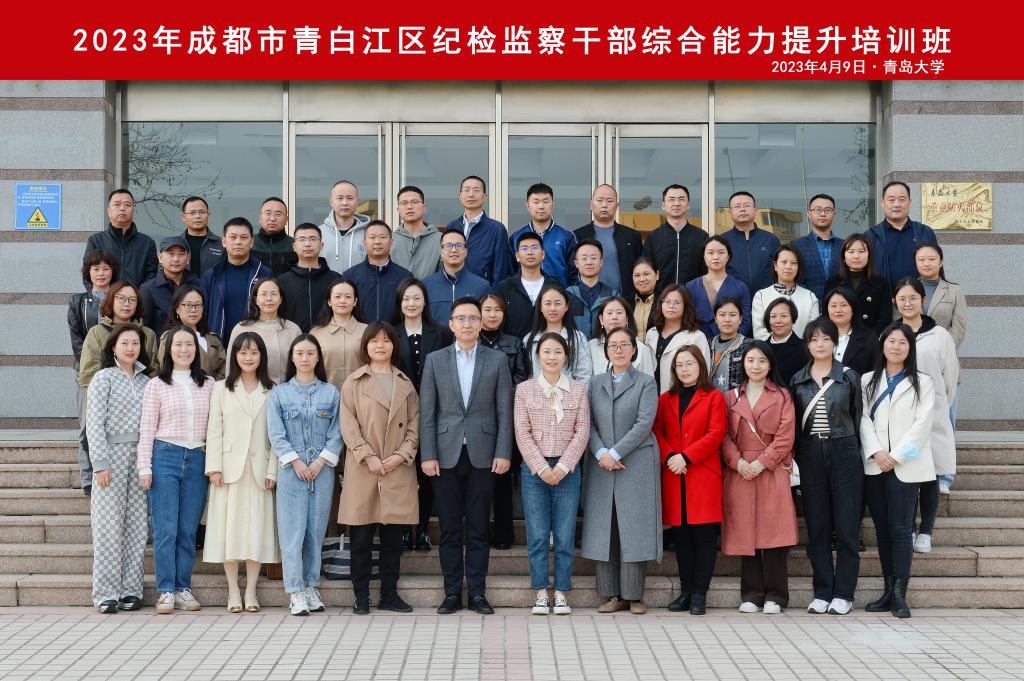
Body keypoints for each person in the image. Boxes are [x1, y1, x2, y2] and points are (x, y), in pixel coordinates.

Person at [419, 297, 514, 615]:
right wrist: (427, 454)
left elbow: (504, 410)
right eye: (461, 318)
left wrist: (503, 451)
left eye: (473, 318)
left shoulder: (497, 360)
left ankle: (476, 593)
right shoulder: (435, 360)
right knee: (448, 528)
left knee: (478, 527)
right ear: (451, 324)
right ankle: (451, 593)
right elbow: (427, 412)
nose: (468, 324)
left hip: (484, 454)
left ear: (481, 323)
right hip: (444, 454)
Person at [340, 322, 420, 615]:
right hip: (364, 468)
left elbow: (414, 425)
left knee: (393, 540)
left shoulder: (405, 383)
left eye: (386, 341)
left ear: (394, 346)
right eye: (374, 341)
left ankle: (389, 594)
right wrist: (368, 456)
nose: (380, 346)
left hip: (397, 468)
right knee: (361, 539)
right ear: (366, 346)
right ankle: (361, 596)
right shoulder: (354, 382)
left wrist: (401, 455)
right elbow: (348, 424)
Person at [859, 323, 936, 619]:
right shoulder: (868, 380)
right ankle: (888, 591)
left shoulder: (923, 382)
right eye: (891, 341)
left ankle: (900, 594)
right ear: (882, 345)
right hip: (875, 464)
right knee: (882, 530)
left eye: (903, 342)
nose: (896, 347)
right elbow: (863, 419)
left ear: (910, 348)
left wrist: (896, 455)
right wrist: (877, 452)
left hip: (907, 465)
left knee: (901, 529)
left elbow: (923, 424)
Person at [582, 327, 661, 615]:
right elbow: (587, 422)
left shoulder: (646, 382)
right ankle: (611, 594)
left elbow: (644, 423)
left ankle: (634, 596)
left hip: (635, 461)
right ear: (606, 351)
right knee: (605, 527)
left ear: (633, 349)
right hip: (601, 462)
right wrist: (601, 452)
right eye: (613, 345)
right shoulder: (595, 383)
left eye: (624, 345)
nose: (618, 350)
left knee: (633, 527)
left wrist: (615, 452)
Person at [137, 324, 214, 615]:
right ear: (168, 350)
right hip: (165, 456)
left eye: (189, 344)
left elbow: (216, 427)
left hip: (198, 459)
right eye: (178, 345)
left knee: (187, 529)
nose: (184, 350)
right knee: (165, 528)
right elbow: (147, 428)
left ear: (197, 349)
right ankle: (166, 590)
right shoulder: (157, 384)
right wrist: (144, 467)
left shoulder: (209, 384)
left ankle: (183, 587)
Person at [790, 318, 863, 615]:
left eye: (825, 339)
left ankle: (844, 593)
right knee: (817, 526)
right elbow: (795, 425)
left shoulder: (849, 377)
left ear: (835, 342)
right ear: (807, 344)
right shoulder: (797, 380)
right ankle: (822, 591)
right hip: (810, 452)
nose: (820, 344)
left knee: (846, 526)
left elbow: (858, 418)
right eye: (814, 339)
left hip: (844, 449)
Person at [514, 333, 591, 616]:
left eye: (557, 352)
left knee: (564, 533)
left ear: (566, 356)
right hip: (534, 471)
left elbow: (582, 431)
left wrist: (563, 466)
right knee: (537, 534)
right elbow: (522, 432)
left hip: (567, 470)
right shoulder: (525, 390)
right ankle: (539, 592)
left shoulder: (578, 390)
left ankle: (560, 592)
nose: (551, 357)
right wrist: (542, 467)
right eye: (546, 351)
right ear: (538, 356)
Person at [203, 332, 279, 614]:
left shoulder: (273, 389)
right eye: (243, 352)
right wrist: (214, 467)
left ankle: (251, 591)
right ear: (234, 356)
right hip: (228, 469)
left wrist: (273, 470)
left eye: (254, 352)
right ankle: (233, 591)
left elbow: (277, 435)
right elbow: (214, 430)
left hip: (260, 469)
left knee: (257, 530)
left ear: (262, 356)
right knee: (229, 530)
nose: (248, 357)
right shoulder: (221, 388)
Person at [267, 335, 343, 616]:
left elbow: (337, 432)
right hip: (291, 472)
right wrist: (297, 462)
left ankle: (311, 585)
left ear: (318, 357)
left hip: (322, 472)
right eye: (299, 353)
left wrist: (321, 462)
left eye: (310, 353)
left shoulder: (331, 393)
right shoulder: (279, 394)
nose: (305, 358)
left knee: (316, 530)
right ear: (292, 357)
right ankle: (295, 591)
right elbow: (276, 434)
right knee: (292, 532)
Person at [721, 342, 798, 614]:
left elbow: (785, 437)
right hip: (740, 470)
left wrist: (761, 463)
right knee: (746, 532)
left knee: (774, 532)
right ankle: (751, 595)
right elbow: (724, 436)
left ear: (770, 364)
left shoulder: (782, 396)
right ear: (743, 364)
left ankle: (776, 596)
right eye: (751, 360)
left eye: (762, 361)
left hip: (772, 469)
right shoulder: (731, 397)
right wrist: (737, 462)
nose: (756, 366)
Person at [652, 345, 727, 615]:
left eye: (689, 364)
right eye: (679, 365)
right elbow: (656, 432)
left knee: (704, 537)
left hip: (702, 474)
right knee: (682, 538)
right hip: (674, 474)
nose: (684, 369)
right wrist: (671, 456)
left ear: (700, 366)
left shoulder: (714, 397)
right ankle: (685, 592)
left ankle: (699, 594)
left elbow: (716, 433)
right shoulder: (665, 399)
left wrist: (687, 456)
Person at [85, 324, 151, 613]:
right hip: (110, 458)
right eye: (124, 343)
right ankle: (105, 594)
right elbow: (94, 423)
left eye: (135, 343)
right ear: (113, 346)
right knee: (108, 527)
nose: (130, 348)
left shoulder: (147, 382)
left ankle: (131, 591)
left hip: (139, 459)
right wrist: (100, 464)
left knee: (137, 526)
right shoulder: (104, 378)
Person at [893, 277, 958, 553]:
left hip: (933, 414)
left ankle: (926, 531)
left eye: (913, 298)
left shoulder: (940, 335)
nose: (907, 303)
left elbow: (950, 377)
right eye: (902, 299)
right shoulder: (890, 333)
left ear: (923, 300)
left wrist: (939, 404)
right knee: (907, 474)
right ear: (895, 302)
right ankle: (908, 528)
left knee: (931, 475)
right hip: (901, 417)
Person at [392, 278, 454, 551]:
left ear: (425, 301)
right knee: (404, 472)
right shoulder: (390, 333)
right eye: (406, 298)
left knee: (428, 472)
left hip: (434, 411)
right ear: (399, 302)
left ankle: (423, 529)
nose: (411, 303)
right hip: (400, 412)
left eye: (416, 298)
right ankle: (404, 530)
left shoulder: (441, 333)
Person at [479, 293, 530, 550]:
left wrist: (500, 394)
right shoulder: (471, 341)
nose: (492, 315)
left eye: (497, 310)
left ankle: (503, 534)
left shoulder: (514, 343)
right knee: (478, 480)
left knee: (502, 478)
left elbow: (522, 377)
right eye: (487, 309)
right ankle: (479, 533)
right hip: (476, 417)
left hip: (506, 416)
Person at [69, 249, 118, 496]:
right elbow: (77, 340)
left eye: (106, 268)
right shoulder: (78, 302)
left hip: (117, 371)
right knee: (87, 425)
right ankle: (88, 477)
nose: (101, 273)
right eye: (96, 268)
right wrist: (93, 367)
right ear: (88, 272)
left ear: (113, 272)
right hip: (86, 372)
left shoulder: (121, 299)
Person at [915, 243, 967, 428]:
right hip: (914, 361)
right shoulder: (908, 288)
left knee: (945, 420)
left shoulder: (954, 291)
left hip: (945, 362)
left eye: (932, 259)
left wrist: (939, 350)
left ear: (941, 262)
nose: (926, 263)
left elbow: (959, 327)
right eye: (921, 259)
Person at [201, 217, 273, 341]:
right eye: (233, 237)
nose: (238, 242)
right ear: (224, 241)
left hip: (256, 344)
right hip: (219, 344)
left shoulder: (264, 274)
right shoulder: (211, 275)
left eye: (244, 237)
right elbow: (203, 312)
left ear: (252, 242)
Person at [575, 184, 644, 299]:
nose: (604, 205)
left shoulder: (632, 236)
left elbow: (641, 269)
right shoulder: (577, 236)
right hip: (586, 301)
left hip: (624, 301)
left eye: (609, 201)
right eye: (600, 200)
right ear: (591, 204)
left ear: (617, 206)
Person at [228, 278, 302, 384]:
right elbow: (231, 366)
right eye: (263, 294)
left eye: (273, 294)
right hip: (253, 390)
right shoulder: (241, 328)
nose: (269, 299)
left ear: (281, 299)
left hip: (288, 390)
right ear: (256, 300)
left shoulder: (293, 329)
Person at [493, 231, 563, 340]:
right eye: (524, 248)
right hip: (514, 348)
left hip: (548, 347)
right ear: (517, 256)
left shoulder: (554, 285)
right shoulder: (505, 287)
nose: (530, 252)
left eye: (535, 248)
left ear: (543, 254)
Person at [445, 175, 513, 285]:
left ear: (484, 196)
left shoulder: (496, 229)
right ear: (460, 196)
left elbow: (500, 270)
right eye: (466, 190)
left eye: (476, 190)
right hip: (454, 288)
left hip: (484, 291)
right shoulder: (452, 226)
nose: (471, 195)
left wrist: (493, 294)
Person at [868, 181, 938, 289]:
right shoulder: (871, 235)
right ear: (882, 202)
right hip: (883, 297)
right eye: (891, 200)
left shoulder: (925, 232)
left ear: (909, 202)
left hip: (920, 297)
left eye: (902, 199)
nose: (896, 204)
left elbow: (937, 267)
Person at [641, 184, 708, 296]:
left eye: (681, 199)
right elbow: (646, 270)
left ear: (688, 205)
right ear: (663, 205)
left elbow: (706, 272)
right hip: (661, 300)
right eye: (671, 199)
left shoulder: (701, 236)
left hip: (693, 299)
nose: (676, 203)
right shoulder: (653, 237)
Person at [509, 183, 579, 288]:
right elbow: (511, 272)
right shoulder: (516, 237)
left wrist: (567, 295)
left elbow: (575, 274)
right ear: (527, 205)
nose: (541, 206)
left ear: (553, 204)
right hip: (525, 296)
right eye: (536, 202)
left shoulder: (567, 237)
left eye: (545, 202)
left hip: (558, 296)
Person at [342, 220, 414, 322]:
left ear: (391, 243)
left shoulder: (405, 276)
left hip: (393, 332)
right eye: (372, 237)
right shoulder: (350, 276)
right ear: (364, 243)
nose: (377, 242)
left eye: (383, 237)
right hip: (360, 331)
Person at [278, 223, 343, 333]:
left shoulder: (335, 279)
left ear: (321, 245)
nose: (307, 244)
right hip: (293, 339)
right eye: (302, 239)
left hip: (328, 338)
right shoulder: (282, 281)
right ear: (294, 246)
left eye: (313, 239)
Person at [645, 285, 710, 394]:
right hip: (650, 396)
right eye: (667, 301)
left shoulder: (696, 337)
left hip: (681, 396)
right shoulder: (652, 333)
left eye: (677, 302)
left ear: (685, 306)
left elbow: (704, 373)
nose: (671, 306)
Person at [85, 189, 158, 286]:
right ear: (109, 211)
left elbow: (151, 277)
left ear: (133, 210)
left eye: (127, 205)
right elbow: (87, 274)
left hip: (136, 295)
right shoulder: (95, 241)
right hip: (105, 296)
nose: (122, 208)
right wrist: (101, 295)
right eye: (117, 204)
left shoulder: (147, 243)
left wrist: (135, 295)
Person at [825, 234, 893, 336]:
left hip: (871, 338)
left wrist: (871, 338)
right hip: (839, 337)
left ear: (869, 255)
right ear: (844, 256)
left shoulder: (881, 283)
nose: (856, 256)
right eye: (851, 251)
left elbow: (885, 317)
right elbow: (826, 315)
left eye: (861, 251)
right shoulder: (833, 283)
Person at [686, 236, 752, 340]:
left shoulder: (740, 287)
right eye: (710, 252)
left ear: (728, 257)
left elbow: (745, 321)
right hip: (697, 343)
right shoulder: (691, 287)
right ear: (704, 257)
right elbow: (686, 318)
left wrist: (732, 342)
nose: (716, 257)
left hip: (731, 343)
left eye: (721, 252)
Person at [524, 285, 592, 385]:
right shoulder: (529, 339)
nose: (552, 308)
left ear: (566, 306)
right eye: (548, 303)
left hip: (569, 393)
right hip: (536, 394)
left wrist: (574, 394)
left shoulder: (578, 338)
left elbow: (584, 375)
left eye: (557, 303)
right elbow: (525, 375)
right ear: (540, 307)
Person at [155, 285, 226, 380]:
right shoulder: (169, 337)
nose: (193, 310)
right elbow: (165, 368)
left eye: (198, 305)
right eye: (188, 305)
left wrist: (212, 385)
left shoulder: (213, 339)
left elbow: (224, 369)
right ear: (177, 308)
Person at [310, 278, 368, 394]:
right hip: (324, 397)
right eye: (337, 297)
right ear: (329, 301)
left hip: (360, 395)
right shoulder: (316, 333)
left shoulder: (367, 331)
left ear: (355, 301)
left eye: (348, 297)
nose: (342, 301)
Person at [751, 245, 819, 341]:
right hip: (770, 349)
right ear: (775, 266)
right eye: (784, 262)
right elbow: (759, 333)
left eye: (793, 263)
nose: (788, 267)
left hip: (802, 349)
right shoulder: (761, 296)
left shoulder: (810, 297)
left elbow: (813, 332)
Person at [720, 191, 781, 295]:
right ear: (730, 213)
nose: (742, 209)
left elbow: (780, 270)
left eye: (747, 205)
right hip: (732, 299)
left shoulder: (771, 239)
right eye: (737, 206)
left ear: (755, 210)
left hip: (766, 299)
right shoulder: (722, 241)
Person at [423, 229, 491, 322]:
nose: (454, 250)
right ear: (441, 252)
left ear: (466, 251)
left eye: (459, 245)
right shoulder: (427, 285)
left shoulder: (482, 286)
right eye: (448, 246)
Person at [141, 236, 201, 334]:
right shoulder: (148, 289)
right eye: (171, 254)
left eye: (181, 254)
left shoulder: (199, 285)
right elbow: (146, 328)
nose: (176, 259)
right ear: (160, 257)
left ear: (188, 258)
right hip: (161, 342)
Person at [790, 194, 844, 300]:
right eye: (818, 210)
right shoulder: (796, 246)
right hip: (806, 305)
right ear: (809, 214)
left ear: (834, 214)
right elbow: (793, 278)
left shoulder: (845, 246)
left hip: (839, 305)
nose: (823, 214)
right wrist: (812, 303)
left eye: (828, 210)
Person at [589, 297, 656, 376]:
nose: (614, 317)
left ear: (627, 318)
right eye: (609, 313)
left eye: (619, 313)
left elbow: (648, 380)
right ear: (601, 319)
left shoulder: (640, 348)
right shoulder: (591, 346)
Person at [566, 239, 618, 340]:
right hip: (575, 348)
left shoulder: (613, 296)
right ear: (576, 263)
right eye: (584, 258)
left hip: (604, 348)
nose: (589, 262)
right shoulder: (567, 296)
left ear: (601, 262)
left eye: (593, 258)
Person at [823, 287, 878, 376]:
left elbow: (875, 372)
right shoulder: (817, 337)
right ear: (827, 310)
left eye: (843, 305)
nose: (838, 310)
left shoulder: (868, 338)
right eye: (833, 306)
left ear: (853, 310)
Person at [320, 180, 372, 273]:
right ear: (331, 202)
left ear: (357, 202)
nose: (344, 203)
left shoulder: (369, 233)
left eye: (350, 198)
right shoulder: (319, 233)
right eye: (340, 198)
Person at [391, 186, 442, 280]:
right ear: (398, 209)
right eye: (404, 203)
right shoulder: (389, 240)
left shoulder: (440, 240)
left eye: (414, 202)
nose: (409, 207)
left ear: (424, 207)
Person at [709, 298, 755, 394]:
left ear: (740, 319)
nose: (727, 319)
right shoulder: (708, 344)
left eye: (732, 315)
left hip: (739, 401)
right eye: (722, 315)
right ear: (715, 319)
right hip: (712, 402)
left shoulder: (750, 346)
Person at [764, 298, 810, 387]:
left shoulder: (805, 348)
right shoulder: (761, 349)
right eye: (773, 316)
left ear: (793, 318)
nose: (778, 320)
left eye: (783, 316)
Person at [180, 196, 223, 276]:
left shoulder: (222, 244)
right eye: (192, 213)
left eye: (202, 212)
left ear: (208, 215)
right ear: (183, 217)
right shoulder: (176, 244)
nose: (197, 216)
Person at [252, 197, 295, 276]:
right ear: (260, 217)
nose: (272, 219)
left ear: (286, 220)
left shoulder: (295, 245)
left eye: (278, 214)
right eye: (268, 213)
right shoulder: (249, 243)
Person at [631, 257, 660, 334]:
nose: (642, 279)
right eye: (637, 275)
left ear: (657, 275)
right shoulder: (626, 302)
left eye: (646, 274)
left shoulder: (665, 301)